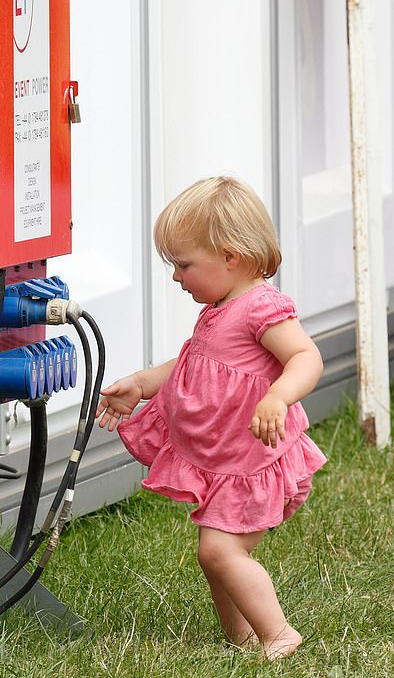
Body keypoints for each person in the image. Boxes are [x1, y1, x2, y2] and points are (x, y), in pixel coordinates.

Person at [96, 176, 327, 659]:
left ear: (231, 257)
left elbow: (307, 357)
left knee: (220, 551)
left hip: (252, 462)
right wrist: (141, 384)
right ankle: (240, 637)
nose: (177, 277)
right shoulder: (220, 307)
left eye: (183, 265)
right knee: (218, 556)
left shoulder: (261, 307)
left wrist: (279, 398)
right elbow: (190, 362)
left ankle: (278, 635)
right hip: (227, 459)